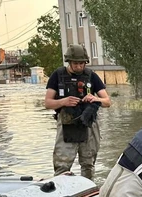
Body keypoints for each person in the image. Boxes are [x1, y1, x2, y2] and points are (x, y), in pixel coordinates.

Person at [44, 44, 111, 180]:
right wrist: (63, 102)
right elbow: (47, 103)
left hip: (88, 125)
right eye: (76, 63)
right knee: (62, 164)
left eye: (82, 63)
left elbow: (107, 101)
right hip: (67, 124)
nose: (79, 66)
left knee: (88, 163)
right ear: (69, 62)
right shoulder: (58, 75)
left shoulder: (91, 76)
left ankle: (88, 189)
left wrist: (95, 98)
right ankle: (61, 189)